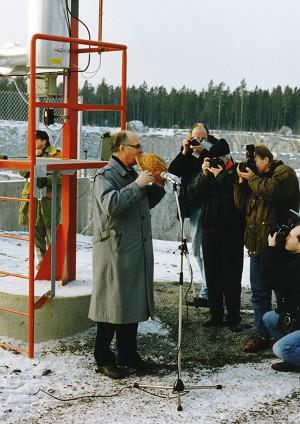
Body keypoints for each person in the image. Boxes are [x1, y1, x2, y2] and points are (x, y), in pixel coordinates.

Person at [88, 130, 165, 379]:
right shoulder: (105, 175)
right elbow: (111, 205)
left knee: (130, 304)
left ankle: (128, 354)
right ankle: (103, 358)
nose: (140, 151)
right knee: (111, 306)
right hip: (114, 250)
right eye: (136, 146)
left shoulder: (133, 174)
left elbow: (142, 203)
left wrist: (157, 187)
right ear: (122, 148)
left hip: (132, 249)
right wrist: (138, 184)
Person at [234, 144, 300, 352]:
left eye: (254, 161)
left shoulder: (284, 173)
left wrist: (252, 178)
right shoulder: (255, 180)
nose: (251, 166)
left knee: (284, 292)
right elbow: (241, 205)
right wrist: (241, 182)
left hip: (281, 245)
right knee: (259, 292)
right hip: (257, 244)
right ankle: (263, 334)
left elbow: (273, 192)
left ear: (266, 160)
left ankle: (289, 337)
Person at [188, 138, 244, 331]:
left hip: (232, 234)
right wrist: (204, 175)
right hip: (210, 231)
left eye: (219, 159)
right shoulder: (208, 173)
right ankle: (216, 315)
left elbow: (238, 200)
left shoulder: (237, 172)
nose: (215, 162)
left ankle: (234, 318)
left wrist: (221, 177)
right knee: (212, 276)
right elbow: (192, 194)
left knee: (231, 277)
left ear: (227, 157)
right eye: (213, 159)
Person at [169, 123, 217, 307]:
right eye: (196, 138)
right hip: (194, 207)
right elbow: (173, 171)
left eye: (203, 138)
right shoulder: (188, 154)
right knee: (198, 251)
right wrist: (185, 151)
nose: (199, 141)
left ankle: (209, 293)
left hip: (207, 208)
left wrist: (204, 148)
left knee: (202, 251)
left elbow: (217, 160)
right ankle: (208, 290)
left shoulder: (212, 151)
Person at [19, 130, 62, 268]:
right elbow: (22, 172)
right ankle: (42, 261)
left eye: (36, 139)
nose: (33, 142)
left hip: (48, 200)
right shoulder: (32, 153)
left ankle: (53, 263)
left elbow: (62, 176)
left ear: (44, 141)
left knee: (51, 232)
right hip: (33, 198)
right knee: (36, 231)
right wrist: (32, 159)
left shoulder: (56, 155)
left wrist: (46, 180)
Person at [262, 225, 300, 372]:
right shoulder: (295, 259)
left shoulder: (296, 267)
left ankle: (293, 357)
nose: (286, 237)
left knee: (281, 348)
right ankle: (295, 361)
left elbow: (269, 280)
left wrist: (271, 247)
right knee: (269, 318)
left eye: (290, 236)